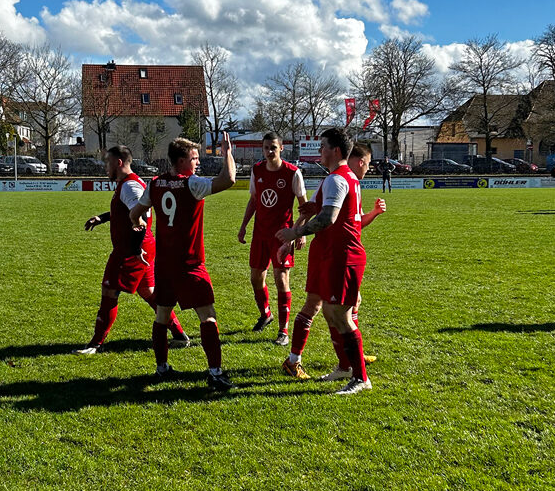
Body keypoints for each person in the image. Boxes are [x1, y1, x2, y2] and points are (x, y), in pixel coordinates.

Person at [276, 135, 385, 395]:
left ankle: (360, 378)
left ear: (335, 150)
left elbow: (328, 218)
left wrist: (294, 234)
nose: (320, 150)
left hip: (342, 255)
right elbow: (312, 211)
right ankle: (345, 367)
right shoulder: (339, 178)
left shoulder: (338, 179)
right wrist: (291, 238)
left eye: (323, 146)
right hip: (330, 254)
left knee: (340, 314)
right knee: (328, 311)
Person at [129, 133, 236, 391]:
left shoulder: (155, 184)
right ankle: (215, 373)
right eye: (194, 158)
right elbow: (229, 179)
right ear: (181, 161)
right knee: (208, 317)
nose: (198, 163)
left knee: (162, 316)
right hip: (190, 264)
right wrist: (227, 153)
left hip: (164, 265)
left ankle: (162, 368)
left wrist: (138, 223)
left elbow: (135, 213)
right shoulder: (192, 184)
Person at [75, 145, 191, 354]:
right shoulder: (128, 184)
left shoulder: (130, 186)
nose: (105, 167)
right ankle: (179, 335)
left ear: (119, 162)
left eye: (108, 162)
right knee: (149, 292)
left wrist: (136, 249)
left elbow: (142, 218)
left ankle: (95, 344)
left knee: (110, 291)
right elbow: (129, 211)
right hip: (140, 247)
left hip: (131, 249)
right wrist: (102, 218)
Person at [237, 132, 308, 346]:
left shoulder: (292, 173)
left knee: (281, 278)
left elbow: (304, 206)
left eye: (273, 148)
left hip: (282, 235)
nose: (269, 152)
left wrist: (299, 232)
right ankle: (266, 314)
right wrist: (243, 226)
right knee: (256, 278)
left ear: (281, 148)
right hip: (260, 233)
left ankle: (283, 331)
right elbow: (254, 200)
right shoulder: (257, 170)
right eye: (266, 148)